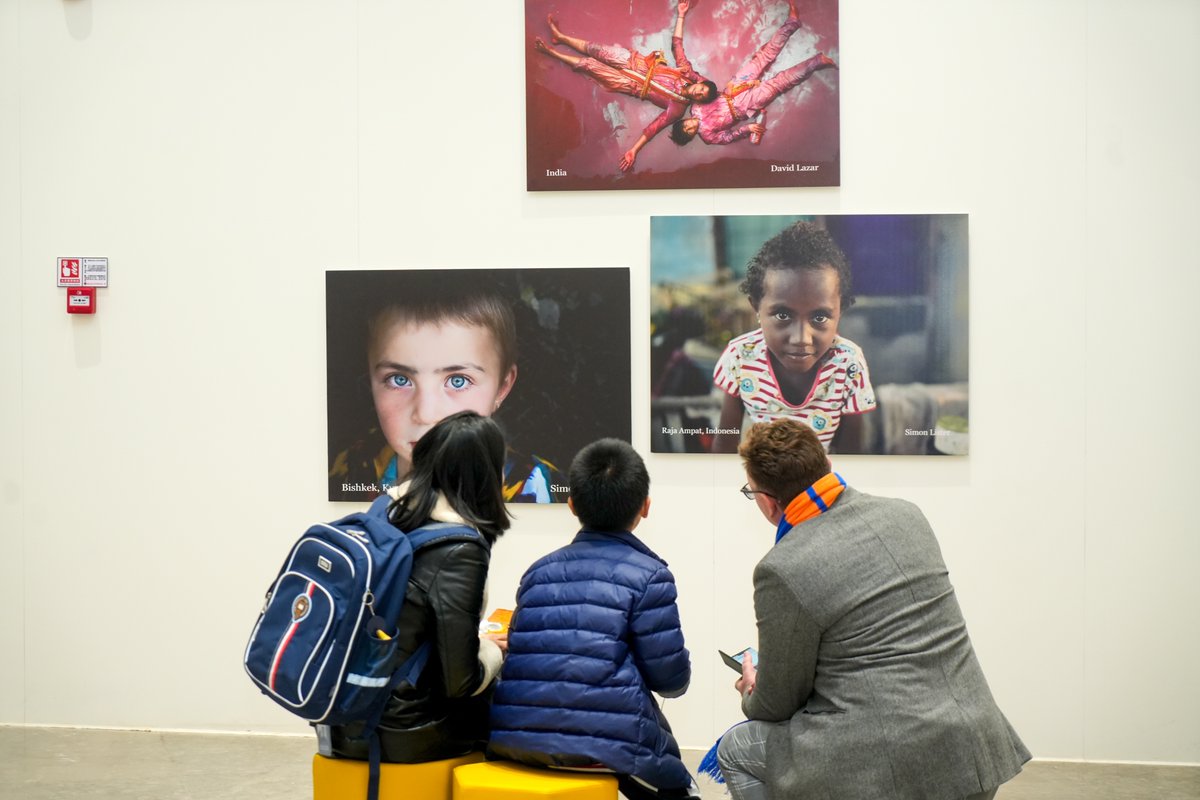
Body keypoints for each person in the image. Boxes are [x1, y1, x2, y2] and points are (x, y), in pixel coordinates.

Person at [709, 418, 1030, 799]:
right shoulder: (906, 515)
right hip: (973, 752)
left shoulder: (783, 567)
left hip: (891, 769)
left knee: (736, 747)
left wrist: (751, 688)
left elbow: (776, 704)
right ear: (825, 466)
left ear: (766, 499)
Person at [488, 439, 699, 800]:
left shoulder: (537, 573)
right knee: (679, 789)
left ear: (571, 506)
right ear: (645, 507)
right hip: (604, 751)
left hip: (517, 740)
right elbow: (670, 681)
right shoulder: (651, 576)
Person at [324, 411, 512, 763]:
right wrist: (493, 652)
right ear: (486, 474)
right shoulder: (460, 549)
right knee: (518, 717)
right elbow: (460, 682)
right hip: (406, 728)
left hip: (345, 715)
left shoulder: (383, 511)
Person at [327, 286, 560, 503]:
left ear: (502, 387)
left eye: (457, 381)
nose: (426, 414)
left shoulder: (532, 484)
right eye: (399, 379)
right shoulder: (355, 464)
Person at [710, 220, 875, 455]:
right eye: (783, 314)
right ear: (756, 306)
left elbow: (853, 452)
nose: (801, 338)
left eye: (819, 317)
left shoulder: (848, 363)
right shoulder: (740, 356)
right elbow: (725, 444)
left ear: (840, 310)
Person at [533, 4, 718, 173]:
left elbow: (653, 128)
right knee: (595, 49)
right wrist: (681, 15)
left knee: (589, 65)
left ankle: (552, 52)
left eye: (701, 96)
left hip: (627, 84)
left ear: (698, 101)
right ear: (699, 83)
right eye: (701, 89)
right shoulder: (685, 71)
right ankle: (561, 37)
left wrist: (633, 150)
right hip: (634, 62)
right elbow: (677, 44)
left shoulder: (677, 109)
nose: (698, 93)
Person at [669, 0, 837, 148]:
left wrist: (681, 16)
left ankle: (792, 22)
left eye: (685, 126)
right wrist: (746, 129)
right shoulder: (707, 136)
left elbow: (707, 87)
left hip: (734, 87)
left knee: (764, 56)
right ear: (691, 137)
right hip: (744, 107)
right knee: (780, 83)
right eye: (689, 133)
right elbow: (728, 137)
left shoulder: (695, 106)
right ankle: (818, 61)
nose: (690, 127)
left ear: (682, 121)